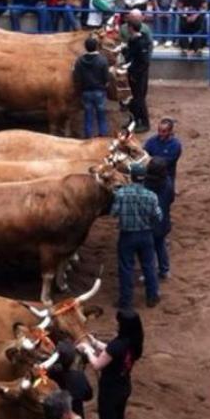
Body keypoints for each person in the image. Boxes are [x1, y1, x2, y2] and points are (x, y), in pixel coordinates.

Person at [80, 309, 145, 419]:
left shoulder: (117, 345)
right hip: (124, 386)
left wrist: (87, 349)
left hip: (110, 392)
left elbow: (97, 364)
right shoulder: (134, 341)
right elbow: (111, 352)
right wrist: (95, 343)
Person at [110, 161, 161, 309]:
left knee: (126, 267)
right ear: (144, 178)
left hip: (127, 235)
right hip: (145, 235)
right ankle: (152, 297)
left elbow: (113, 213)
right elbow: (158, 216)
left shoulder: (121, 194)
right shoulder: (151, 196)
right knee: (149, 266)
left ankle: (126, 301)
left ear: (131, 177)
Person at [72, 36, 109, 139]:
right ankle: (103, 134)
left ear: (85, 47)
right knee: (101, 114)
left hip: (86, 91)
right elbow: (106, 77)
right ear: (96, 47)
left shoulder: (79, 61)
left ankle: (88, 135)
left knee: (88, 115)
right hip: (99, 91)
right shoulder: (102, 60)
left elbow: (76, 77)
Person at [144, 157, 174, 282]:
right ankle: (164, 270)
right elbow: (171, 199)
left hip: (150, 222)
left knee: (149, 250)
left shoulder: (147, 185)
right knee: (160, 245)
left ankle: (150, 274)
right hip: (164, 220)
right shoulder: (168, 182)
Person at [124, 11, 152, 132]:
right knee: (133, 99)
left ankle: (144, 123)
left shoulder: (140, 42)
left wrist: (134, 73)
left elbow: (143, 61)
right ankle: (133, 120)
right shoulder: (136, 40)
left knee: (139, 99)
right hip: (134, 73)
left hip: (139, 75)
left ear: (131, 28)